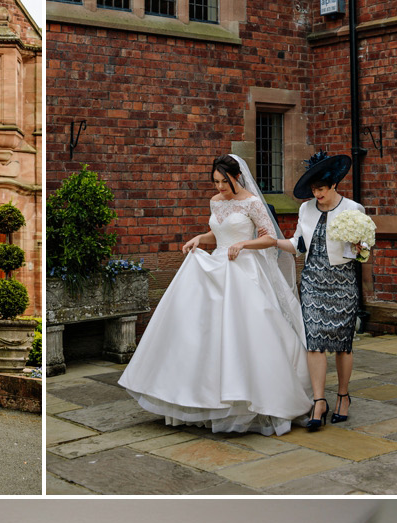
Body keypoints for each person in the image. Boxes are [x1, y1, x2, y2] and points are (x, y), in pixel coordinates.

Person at [118, 153, 312, 436]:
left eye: (224, 181)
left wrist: (244, 244)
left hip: (244, 269)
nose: (219, 187)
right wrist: (200, 238)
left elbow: (269, 237)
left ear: (236, 177)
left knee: (246, 331)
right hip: (216, 267)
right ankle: (201, 401)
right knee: (201, 332)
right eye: (216, 181)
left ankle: (254, 399)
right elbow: (217, 233)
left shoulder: (252, 202)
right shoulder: (215, 202)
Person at [275, 152, 365, 429]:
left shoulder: (354, 209)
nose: (317, 195)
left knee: (342, 345)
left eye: (322, 189)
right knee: (313, 342)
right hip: (313, 282)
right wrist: (272, 242)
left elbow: (361, 252)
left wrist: (361, 249)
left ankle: (343, 396)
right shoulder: (306, 209)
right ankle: (318, 402)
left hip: (342, 283)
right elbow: (298, 245)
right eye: (314, 190)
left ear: (333, 185)